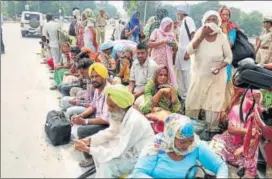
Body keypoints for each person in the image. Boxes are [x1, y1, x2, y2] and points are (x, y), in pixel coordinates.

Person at [74, 84, 155, 177]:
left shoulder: (134, 121)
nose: (108, 109)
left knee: (107, 164)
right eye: (108, 105)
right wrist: (89, 140)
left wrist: (88, 149)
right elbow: (112, 131)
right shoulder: (119, 113)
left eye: (112, 106)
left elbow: (119, 151)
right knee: (98, 144)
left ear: (122, 106)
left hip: (141, 157)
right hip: (130, 150)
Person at [131, 113, 228, 178]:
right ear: (171, 138)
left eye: (190, 140)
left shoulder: (195, 146)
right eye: (182, 142)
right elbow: (138, 173)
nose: (187, 145)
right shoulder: (156, 146)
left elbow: (220, 166)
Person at [185, 10, 232, 135]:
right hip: (199, 76)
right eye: (209, 20)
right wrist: (201, 37)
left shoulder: (222, 36)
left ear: (218, 22)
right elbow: (189, 51)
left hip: (217, 77)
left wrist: (220, 67)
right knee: (193, 101)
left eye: (214, 20)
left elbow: (229, 57)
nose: (212, 22)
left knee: (213, 104)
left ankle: (211, 132)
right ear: (204, 22)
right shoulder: (199, 33)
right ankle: (190, 130)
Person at [211, 90, 263, 178]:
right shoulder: (236, 109)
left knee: (256, 156)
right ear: (246, 97)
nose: (255, 100)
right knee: (217, 143)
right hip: (233, 139)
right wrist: (248, 131)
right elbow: (231, 130)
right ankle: (219, 164)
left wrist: (242, 148)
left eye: (257, 98)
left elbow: (257, 136)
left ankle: (244, 168)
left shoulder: (260, 113)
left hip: (249, 144)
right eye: (252, 97)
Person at [71, 63, 110, 167]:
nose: (94, 79)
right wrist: (81, 116)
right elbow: (93, 106)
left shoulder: (109, 92)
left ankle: (91, 158)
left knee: (81, 130)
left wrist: (85, 121)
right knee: (77, 118)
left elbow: (105, 120)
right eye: (92, 76)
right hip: (99, 118)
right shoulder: (98, 89)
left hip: (109, 125)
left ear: (104, 76)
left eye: (97, 76)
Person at [148, 17, 178, 87]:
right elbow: (149, 44)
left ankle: (163, 92)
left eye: (170, 26)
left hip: (167, 61)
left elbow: (175, 49)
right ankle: (153, 91)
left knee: (164, 77)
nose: (168, 28)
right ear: (163, 25)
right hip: (157, 59)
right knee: (155, 75)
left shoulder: (172, 35)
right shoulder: (156, 32)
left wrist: (173, 44)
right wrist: (163, 41)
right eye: (167, 26)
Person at [218, 6, 238, 112]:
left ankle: (224, 110)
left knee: (225, 81)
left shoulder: (231, 28)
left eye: (227, 14)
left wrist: (225, 31)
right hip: (215, 58)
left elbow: (230, 44)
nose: (225, 17)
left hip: (226, 59)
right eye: (223, 14)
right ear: (219, 15)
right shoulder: (215, 26)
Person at [175, 5, 196, 100]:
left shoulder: (188, 19)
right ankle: (183, 96)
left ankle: (189, 97)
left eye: (178, 12)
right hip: (180, 53)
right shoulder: (183, 22)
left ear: (181, 13)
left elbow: (193, 35)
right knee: (180, 74)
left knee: (187, 75)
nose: (177, 14)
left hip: (186, 53)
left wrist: (189, 52)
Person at [129, 43, 158, 107]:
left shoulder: (152, 65)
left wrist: (135, 95)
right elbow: (132, 81)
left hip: (146, 93)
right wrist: (130, 92)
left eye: (142, 53)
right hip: (135, 91)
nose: (140, 55)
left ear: (147, 53)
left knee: (139, 103)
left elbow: (149, 87)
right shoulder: (135, 62)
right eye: (138, 53)